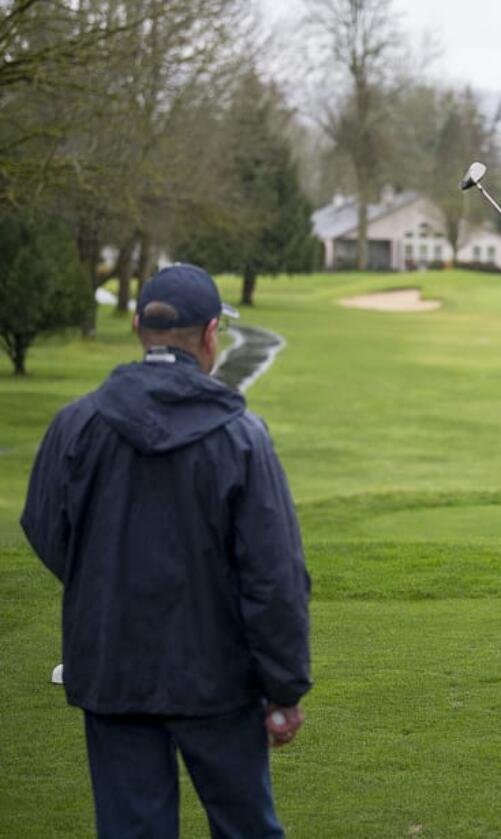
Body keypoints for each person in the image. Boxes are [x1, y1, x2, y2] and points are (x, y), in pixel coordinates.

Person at [21, 263, 312, 838]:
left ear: (137, 327)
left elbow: (48, 532)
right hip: (218, 678)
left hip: (112, 668)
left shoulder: (75, 424)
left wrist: (106, 577)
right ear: (210, 335)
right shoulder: (241, 436)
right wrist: (284, 690)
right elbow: (273, 576)